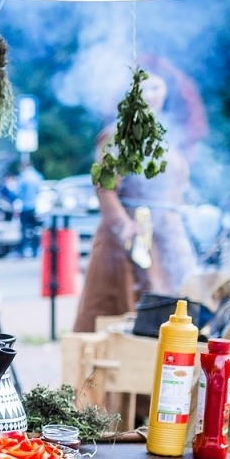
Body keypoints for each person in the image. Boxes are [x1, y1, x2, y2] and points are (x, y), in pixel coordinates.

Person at [72, 72, 196, 332]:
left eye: (156, 87)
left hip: (166, 234)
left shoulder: (168, 136)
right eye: (144, 88)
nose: (151, 94)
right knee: (123, 307)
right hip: (130, 236)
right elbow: (104, 187)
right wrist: (123, 225)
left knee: (172, 308)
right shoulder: (117, 136)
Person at [15, 160, 43, 257]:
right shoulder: (37, 176)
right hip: (35, 207)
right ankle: (35, 250)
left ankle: (23, 250)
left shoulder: (22, 177)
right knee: (35, 229)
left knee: (24, 230)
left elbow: (17, 193)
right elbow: (40, 191)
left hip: (25, 207)